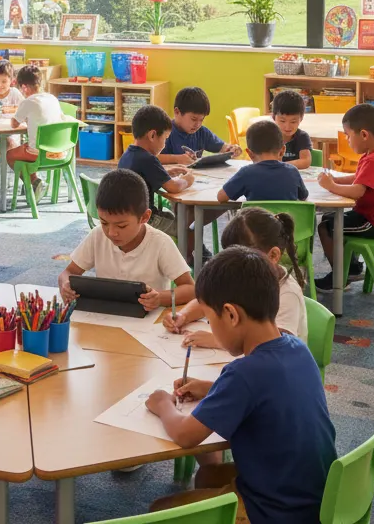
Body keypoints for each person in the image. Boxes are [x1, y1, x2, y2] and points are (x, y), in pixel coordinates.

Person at [145, 247, 335, 522]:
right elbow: (268, 394)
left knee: (159, 513)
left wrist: (163, 403)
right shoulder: (297, 348)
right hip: (314, 496)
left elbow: (186, 436)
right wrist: (210, 388)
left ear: (231, 315)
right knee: (208, 474)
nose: (210, 327)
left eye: (210, 320)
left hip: (275, 511)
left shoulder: (244, 373)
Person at [166, 206, 308, 344]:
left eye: (245, 260)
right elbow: (207, 300)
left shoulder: (287, 293)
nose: (236, 267)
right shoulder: (241, 274)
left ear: (273, 255)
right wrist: (183, 316)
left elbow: (275, 346)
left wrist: (217, 340)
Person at [58, 169, 195, 309]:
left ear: (144, 217)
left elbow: (190, 289)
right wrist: (65, 285)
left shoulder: (160, 243)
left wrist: (160, 297)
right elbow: (68, 273)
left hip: (146, 323)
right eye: (104, 222)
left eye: (121, 226)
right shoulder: (97, 235)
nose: (111, 233)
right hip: (106, 317)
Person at [315, 103, 374, 291]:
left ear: (363, 135)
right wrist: (335, 179)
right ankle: (351, 267)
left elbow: (358, 190)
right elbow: (358, 179)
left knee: (327, 227)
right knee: (330, 219)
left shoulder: (373, 160)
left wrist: (332, 186)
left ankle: (340, 276)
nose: (346, 139)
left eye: (347, 134)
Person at [117, 105, 194, 240]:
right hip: (146, 220)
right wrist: (188, 179)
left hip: (129, 216)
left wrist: (165, 172)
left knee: (171, 216)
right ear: (152, 135)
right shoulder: (148, 159)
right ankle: (188, 259)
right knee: (188, 229)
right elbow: (173, 187)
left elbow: (145, 174)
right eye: (165, 138)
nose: (164, 144)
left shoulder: (129, 154)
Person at [216, 119, 308, 204]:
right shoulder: (292, 171)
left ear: (250, 154)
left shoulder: (246, 173)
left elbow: (221, 197)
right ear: (282, 150)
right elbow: (303, 197)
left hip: (256, 221)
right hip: (286, 221)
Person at [7, 64, 65, 196]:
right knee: (27, 147)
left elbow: (14, 124)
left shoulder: (28, 102)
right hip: (58, 151)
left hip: (38, 154)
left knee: (10, 155)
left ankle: (34, 181)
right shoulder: (52, 98)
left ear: (24, 87)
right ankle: (34, 184)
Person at [272, 90, 312, 168]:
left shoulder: (302, 137)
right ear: (273, 117)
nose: (287, 127)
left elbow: (305, 161)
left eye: (293, 122)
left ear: (301, 118)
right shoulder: (268, 136)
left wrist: (281, 165)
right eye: (282, 121)